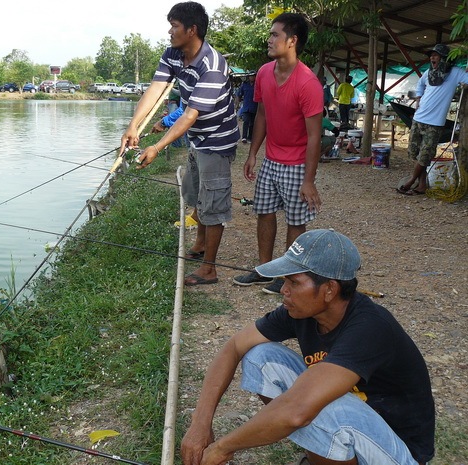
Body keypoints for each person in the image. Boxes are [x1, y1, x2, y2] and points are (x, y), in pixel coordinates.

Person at [181, 229, 435, 465]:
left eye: (293, 282)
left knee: (319, 406)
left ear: (329, 290)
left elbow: (297, 411)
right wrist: (200, 424)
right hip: (356, 424)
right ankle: (322, 453)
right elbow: (235, 346)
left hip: (398, 450)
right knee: (260, 357)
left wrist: (222, 448)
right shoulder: (300, 313)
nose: (284, 290)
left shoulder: (370, 327)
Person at [119, 1, 239, 286]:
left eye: (174, 26)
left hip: (217, 140)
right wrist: (133, 126)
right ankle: (199, 244)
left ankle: (209, 269)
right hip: (198, 138)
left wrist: (157, 147)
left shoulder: (211, 65)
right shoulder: (173, 54)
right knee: (195, 192)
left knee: (214, 201)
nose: (169, 32)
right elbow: (156, 88)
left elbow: (189, 115)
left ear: (191, 30)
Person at [232, 12, 322, 294]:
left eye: (275, 35)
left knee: (295, 221)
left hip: (296, 164)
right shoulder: (263, 73)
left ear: (292, 41)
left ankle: (289, 277)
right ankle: (264, 268)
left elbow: (314, 136)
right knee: (264, 212)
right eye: (270, 34)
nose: (269, 40)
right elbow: (262, 114)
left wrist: (309, 180)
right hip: (271, 159)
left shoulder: (308, 83)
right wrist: (253, 153)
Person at [397, 43, 468, 195]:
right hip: (418, 118)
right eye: (431, 55)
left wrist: (465, 76)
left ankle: (411, 181)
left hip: (434, 123)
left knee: (425, 155)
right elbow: (420, 84)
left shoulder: (455, 72)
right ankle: (422, 185)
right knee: (415, 153)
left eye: (436, 55)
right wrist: (418, 98)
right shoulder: (429, 73)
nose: (432, 57)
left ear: (444, 58)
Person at [236, 72, 258, 143]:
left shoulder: (257, 85)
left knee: (252, 123)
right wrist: (237, 104)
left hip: (254, 107)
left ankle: (250, 137)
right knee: (246, 121)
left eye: (253, 76)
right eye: (250, 76)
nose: (251, 77)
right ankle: (244, 137)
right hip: (246, 107)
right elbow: (239, 94)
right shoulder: (244, 85)